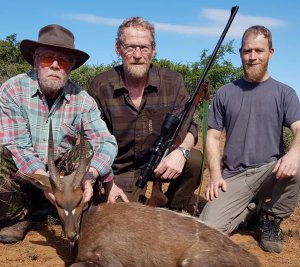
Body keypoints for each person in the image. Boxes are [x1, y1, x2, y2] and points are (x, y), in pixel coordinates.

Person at [0, 24, 118, 243]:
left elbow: (106, 142)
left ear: (70, 67)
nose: (54, 65)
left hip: (63, 182)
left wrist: (91, 176)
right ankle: (17, 216)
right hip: (28, 174)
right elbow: (16, 145)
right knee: (1, 155)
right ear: (35, 61)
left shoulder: (83, 100)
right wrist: (45, 180)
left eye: (62, 61)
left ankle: (68, 212)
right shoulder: (12, 90)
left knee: (87, 149)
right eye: (47, 59)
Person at [199, 25, 300, 253]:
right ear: (240, 53)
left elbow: (299, 128)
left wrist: (293, 154)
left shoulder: (285, 93)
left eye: (259, 50)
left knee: (299, 161)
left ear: (270, 53)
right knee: (207, 230)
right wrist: (215, 175)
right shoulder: (226, 93)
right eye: (247, 51)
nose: (252, 57)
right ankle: (251, 208)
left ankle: (271, 220)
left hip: (270, 172)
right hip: (233, 176)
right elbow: (213, 136)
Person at [88, 17, 203, 210]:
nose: (137, 55)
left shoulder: (172, 81)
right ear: (118, 49)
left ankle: (171, 208)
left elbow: (189, 125)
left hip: (162, 161)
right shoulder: (101, 85)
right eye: (130, 47)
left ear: (154, 50)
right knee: (122, 220)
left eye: (144, 48)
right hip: (120, 169)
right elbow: (93, 141)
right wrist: (108, 183)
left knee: (194, 160)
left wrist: (181, 152)